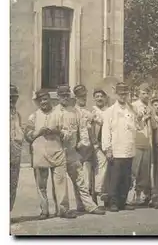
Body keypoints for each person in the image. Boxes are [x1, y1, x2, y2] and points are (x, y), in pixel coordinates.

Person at [25, 89, 75, 219]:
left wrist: (57, 132)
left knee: (60, 182)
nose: (43, 102)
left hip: (57, 152)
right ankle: (44, 211)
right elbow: (28, 136)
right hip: (40, 153)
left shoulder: (59, 114)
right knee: (41, 185)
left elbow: (68, 133)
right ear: (37, 102)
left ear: (50, 99)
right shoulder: (33, 116)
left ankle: (63, 209)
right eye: (41, 100)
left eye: (45, 99)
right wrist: (38, 132)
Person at [56, 85, 105, 215]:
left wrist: (82, 143)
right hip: (58, 151)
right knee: (61, 182)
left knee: (80, 179)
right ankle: (63, 210)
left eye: (67, 95)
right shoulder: (54, 112)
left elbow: (83, 129)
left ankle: (89, 206)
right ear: (58, 96)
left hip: (72, 151)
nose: (65, 98)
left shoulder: (74, 112)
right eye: (62, 95)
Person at [102, 82, 142, 212]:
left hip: (128, 148)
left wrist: (139, 118)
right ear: (116, 94)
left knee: (126, 178)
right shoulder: (110, 111)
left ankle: (122, 202)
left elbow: (137, 126)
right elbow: (106, 131)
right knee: (115, 178)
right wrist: (108, 148)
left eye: (125, 94)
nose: (123, 96)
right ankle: (112, 202)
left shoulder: (131, 110)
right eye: (120, 94)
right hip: (116, 149)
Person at [131, 83, 156, 206]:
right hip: (137, 141)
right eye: (143, 93)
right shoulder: (133, 106)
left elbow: (155, 126)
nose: (146, 95)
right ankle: (131, 195)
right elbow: (132, 124)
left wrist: (153, 118)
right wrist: (141, 118)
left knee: (145, 171)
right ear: (138, 93)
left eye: (148, 93)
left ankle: (142, 195)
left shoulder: (151, 108)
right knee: (134, 169)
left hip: (148, 143)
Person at [73, 85, 97, 205]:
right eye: (81, 96)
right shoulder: (73, 112)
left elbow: (92, 130)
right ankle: (80, 203)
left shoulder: (89, 112)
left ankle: (89, 201)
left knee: (88, 175)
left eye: (85, 96)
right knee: (79, 177)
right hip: (77, 148)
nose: (84, 98)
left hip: (88, 148)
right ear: (76, 97)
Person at [91, 87, 110, 208]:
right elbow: (90, 130)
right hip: (97, 144)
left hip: (108, 144)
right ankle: (97, 192)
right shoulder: (92, 112)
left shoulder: (108, 111)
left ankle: (107, 195)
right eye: (97, 97)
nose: (99, 98)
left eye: (101, 96)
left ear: (105, 98)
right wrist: (94, 143)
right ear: (94, 99)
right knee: (100, 167)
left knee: (109, 170)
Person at [10, 85, 24, 211]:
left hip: (15, 154)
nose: (11, 100)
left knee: (12, 184)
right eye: (9, 97)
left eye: (13, 97)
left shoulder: (18, 115)